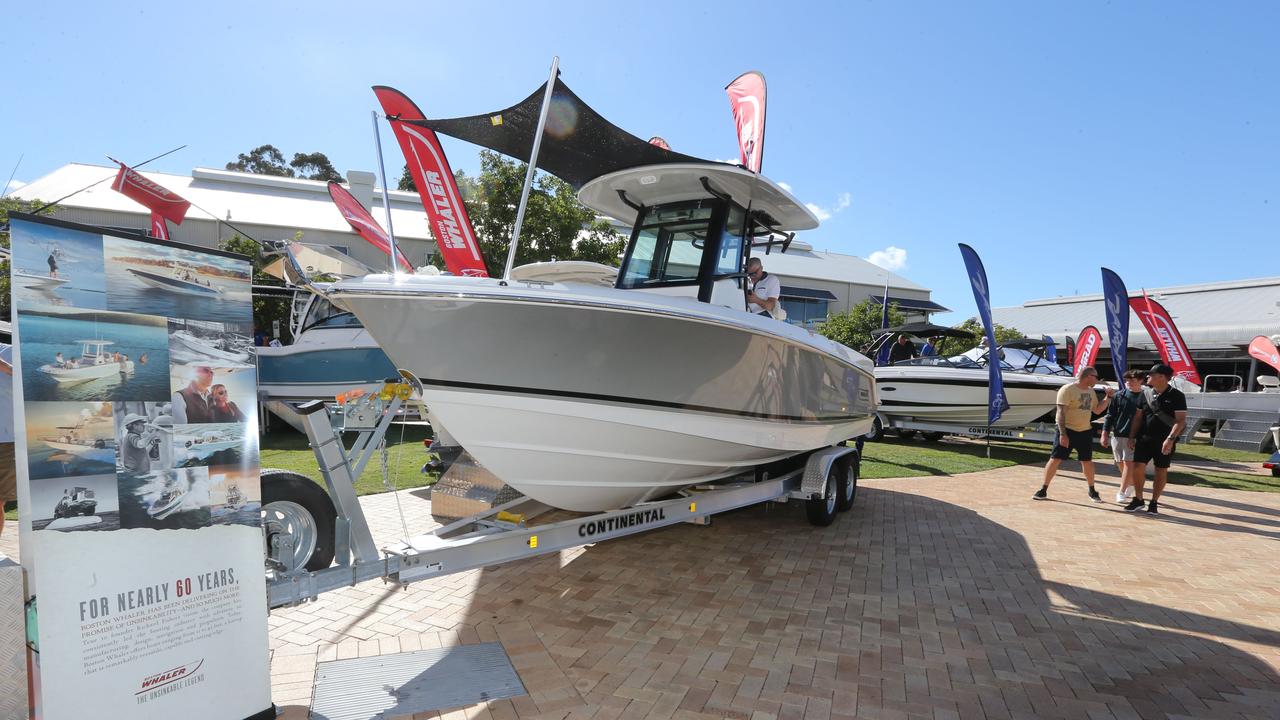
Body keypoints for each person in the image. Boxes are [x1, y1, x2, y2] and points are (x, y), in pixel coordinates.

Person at [1034, 366, 1114, 502]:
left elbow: (1098, 410)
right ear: (1088, 376)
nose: (1098, 380)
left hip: (1085, 431)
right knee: (1055, 459)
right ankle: (1043, 489)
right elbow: (1060, 414)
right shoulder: (1067, 390)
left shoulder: (1091, 391)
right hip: (1067, 430)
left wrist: (1108, 397)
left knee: (1087, 461)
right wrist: (1063, 434)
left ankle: (1092, 490)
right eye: (1096, 377)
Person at [1124, 364, 1188, 514]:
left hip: (1165, 440)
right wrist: (1132, 436)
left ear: (1161, 377)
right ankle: (1138, 499)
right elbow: (1138, 417)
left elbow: (1181, 420)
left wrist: (1170, 439)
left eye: (1151, 375)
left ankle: (1154, 502)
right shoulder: (1144, 394)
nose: (1148, 377)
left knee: (1161, 470)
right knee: (1137, 467)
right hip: (1144, 438)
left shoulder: (1177, 396)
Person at [1101, 369, 1147, 503]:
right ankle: (1131, 484)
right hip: (1117, 434)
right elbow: (1110, 416)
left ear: (1140, 381)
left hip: (1134, 437)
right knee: (1120, 463)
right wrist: (1105, 433)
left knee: (1128, 463)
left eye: (1132, 380)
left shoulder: (1146, 396)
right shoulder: (1119, 395)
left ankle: (1121, 491)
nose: (1128, 383)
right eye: (1127, 380)